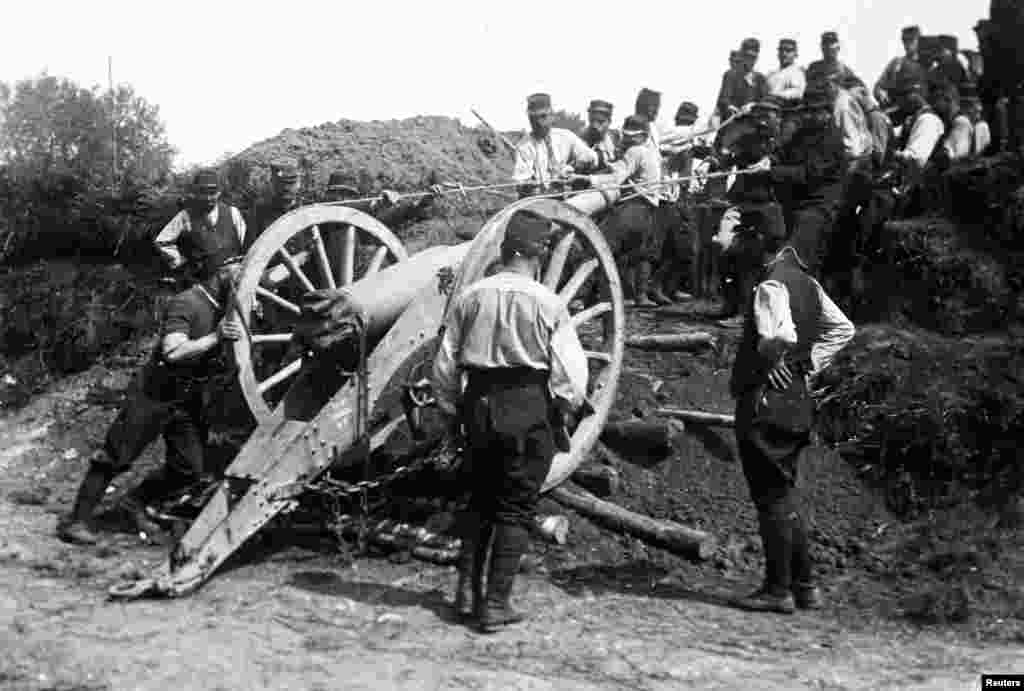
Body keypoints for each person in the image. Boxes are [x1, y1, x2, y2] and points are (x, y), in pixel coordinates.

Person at [432, 209, 588, 632]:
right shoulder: (548, 302)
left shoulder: (470, 297)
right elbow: (572, 375)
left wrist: (452, 414)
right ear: (538, 254)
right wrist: (564, 408)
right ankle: (496, 604)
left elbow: (444, 366)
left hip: (478, 407)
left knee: (480, 501)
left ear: (503, 251)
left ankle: (467, 596)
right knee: (516, 508)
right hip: (527, 407)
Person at [57, 259, 246, 545]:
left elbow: (269, 276)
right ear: (220, 271)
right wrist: (214, 338)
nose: (246, 272)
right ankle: (78, 520)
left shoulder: (223, 303)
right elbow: (173, 352)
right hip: (154, 394)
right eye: (239, 266)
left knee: (189, 469)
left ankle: (134, 503)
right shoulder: (188, 303)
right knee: (115, 457)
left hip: (186, 399)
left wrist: (303, 255)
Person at [729, 235, 855, 614]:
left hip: (765, 402)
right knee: (783, 493)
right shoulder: (810, 283)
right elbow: (843, 329)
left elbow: (780, 334)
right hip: (798, 401)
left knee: (769, 498)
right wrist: (806, 364)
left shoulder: (770, 283)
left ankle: (777, 590)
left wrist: (772, 360)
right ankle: (806, 586)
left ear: (759, 245)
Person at [711, 100, 785, 325]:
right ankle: (730, 304)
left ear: (778, 118)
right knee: (723, 247)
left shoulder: (784, 144)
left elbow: (790, 166)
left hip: (767, 208)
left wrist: (770, 163)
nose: (763, 121)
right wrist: (718, 157)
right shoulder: (746, 139)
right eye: (759, 116)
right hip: (741, 205)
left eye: (768, 116)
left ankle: (743, 313)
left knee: (750, 259)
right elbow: (725, 158)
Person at [583, 115, 667, 307]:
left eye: (632, 136)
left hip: (633, 208)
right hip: (649, 211)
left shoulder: (635, 151)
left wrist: (586, 178)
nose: (628, 139)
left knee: (598, 246)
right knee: (638, 254)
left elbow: (616, 178)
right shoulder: (652, 152)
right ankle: (638, 296)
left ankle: (581, 296)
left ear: (642, 136)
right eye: (627, 136)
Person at [769, 82, 846, 284]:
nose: (808, 116)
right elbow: (781, 156)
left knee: (792, 259)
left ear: (827, 113)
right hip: (796, 206)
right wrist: (767, 160)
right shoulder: (801, 135)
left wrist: (770, 170)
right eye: (806, 111)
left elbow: (808, 174)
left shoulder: (832, 139)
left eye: (814, 111)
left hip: (820, 207)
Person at [154, 170, 247, 282]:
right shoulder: (185, 216)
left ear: (219, 192)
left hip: (234, 276)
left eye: (212, 193)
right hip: (203, 281)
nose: (208, 198)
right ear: (196, 193)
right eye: (203, 193)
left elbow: (244, 242)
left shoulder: (233, 212)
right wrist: (180, 263)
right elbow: (162, 242)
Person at [513, 93, 599, 197]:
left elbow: (592, 157)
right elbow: (521, 182)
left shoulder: (565, 136)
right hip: (537, 200)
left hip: (566, 199)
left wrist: (573, 167)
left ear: (552, 116)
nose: (539, 123)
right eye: (534, 118)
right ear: (529, 119)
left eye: (543, 116)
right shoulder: (524, 146)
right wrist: (529, 185)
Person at [716, 39, 768, 122]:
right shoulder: (731, 74)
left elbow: (765, 100)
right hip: (732, 121)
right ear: (742, 56)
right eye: (747, 56)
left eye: (753, 57)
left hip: (753, 123)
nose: (751, 61)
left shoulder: (760, 78)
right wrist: (730, 107)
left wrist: (752, 105)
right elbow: (723, 99)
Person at [874, 26, 926, 107]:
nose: (908, 44)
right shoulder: (896, 63)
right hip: (895, 110)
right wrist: (881, 93)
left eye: (911, 40)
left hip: (920, 110)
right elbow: (879, 86)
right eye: (905, 41)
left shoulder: (927, 64)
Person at [579, 99, 620, 169]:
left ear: (609, 122)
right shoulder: (579, 141)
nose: (595, 125)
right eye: (592, 121)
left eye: (600, 122)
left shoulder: (616, 141)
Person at [766, 39, 807, 108]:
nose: (784, 54)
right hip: (768, 109)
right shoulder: (771, 74)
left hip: (786, 111)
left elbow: (797, 92)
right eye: (781, 50)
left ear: (795, 54)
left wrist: (775, 95)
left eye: (788, 51)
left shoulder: (797, 72)